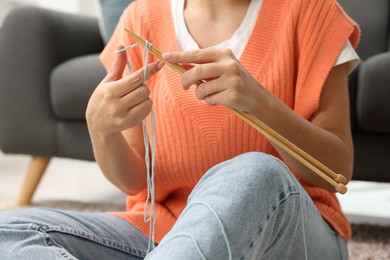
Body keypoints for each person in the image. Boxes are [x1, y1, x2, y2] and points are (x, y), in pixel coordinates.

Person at [0, 0, 360, 259]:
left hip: (289, 233)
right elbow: (136, 181)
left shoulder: (312, 11)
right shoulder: (142, 16)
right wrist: (100, 130)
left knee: (255, 172)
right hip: (162, 233)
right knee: (9, 232)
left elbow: (337, 171)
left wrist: (260, 104)